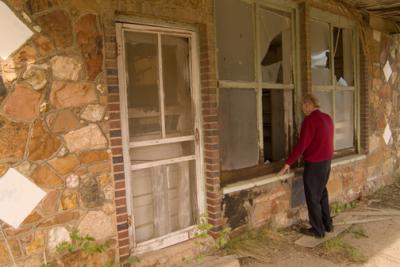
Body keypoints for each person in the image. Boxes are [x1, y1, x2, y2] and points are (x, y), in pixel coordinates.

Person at [278, 94, 334, 238]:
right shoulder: (327, 118)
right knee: (322, 193)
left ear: (310, 105)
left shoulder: (310, 121)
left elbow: (302, 145)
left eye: (304, 105)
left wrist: (287, 163)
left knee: (313, 197)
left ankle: (317, 230)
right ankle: (328, 225)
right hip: (327, 162)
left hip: (315, 164)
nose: (303, 109)